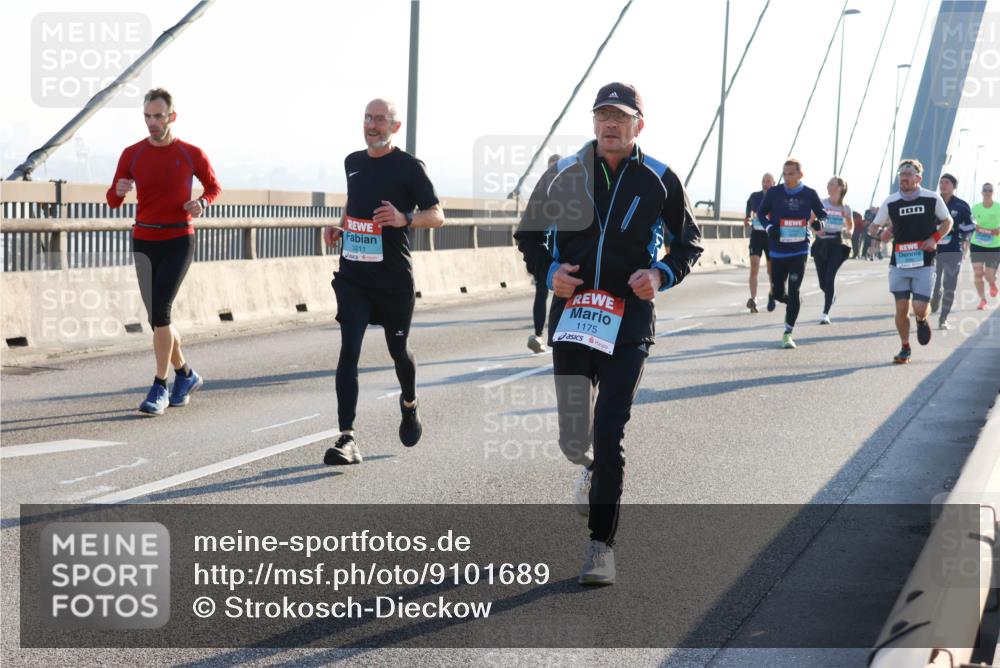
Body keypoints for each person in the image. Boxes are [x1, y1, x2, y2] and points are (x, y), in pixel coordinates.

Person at [514, 82, 702, 585]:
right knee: (576, 439)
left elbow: (690, 243)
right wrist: (548, 270)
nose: (610, 124)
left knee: (610, 431)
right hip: (575, 320)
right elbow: (528, 234)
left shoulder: (660, 179)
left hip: (629, 325)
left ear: (639, 124)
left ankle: (601, 546)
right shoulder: (562, 173)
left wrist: (660, 275)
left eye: (620, 116)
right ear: (593, 122)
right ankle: (588, 467)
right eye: (602, 115)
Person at [320, 98, 445, 465]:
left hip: (393, 281)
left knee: (398, 352)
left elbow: (437, 216)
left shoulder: (409, 167)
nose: (372, 125)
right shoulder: (353, 163)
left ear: (395, 126)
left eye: (380, 119)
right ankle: (347, 437)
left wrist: (404, 217)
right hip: (354, 276)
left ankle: (409, 403)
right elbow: (353, 205)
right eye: (368, 118)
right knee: (349, 350)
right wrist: (340, 228)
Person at [106, 88, 221, 415]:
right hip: (143, 241)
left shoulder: (190, 153)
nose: (152, 122)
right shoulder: (132, 154)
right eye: (147, 116)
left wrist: (202, 203)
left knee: (161, 313)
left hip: (178, 240)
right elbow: (113, 200)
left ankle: (160, 385)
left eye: (158, 116)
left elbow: (213, 187)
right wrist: (119, 190)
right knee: (158, 319)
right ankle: (186, 374)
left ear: (172, 116)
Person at [871, 160, 952, 364]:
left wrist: (934, 239)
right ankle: (905, 347)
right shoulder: (891, 201)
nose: (904, 178)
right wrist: (882, 232)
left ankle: (922, 319)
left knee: (918, 306)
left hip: (924, 261)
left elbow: (947, 221)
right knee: (900, 307)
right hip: (899, 261)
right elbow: (873, 228)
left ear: (918, 178)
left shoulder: (931, 198)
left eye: (908, 174)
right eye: (901, 174)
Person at [756, 158, 827, 348]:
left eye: (791, 174)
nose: (786, 178)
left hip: (800, 248)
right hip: (778, 250)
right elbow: (761, 214)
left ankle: (788, 332)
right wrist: (770, 227)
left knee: (794, 288)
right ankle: (794, 302)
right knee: (779, 293)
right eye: (784, 174)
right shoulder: (774, 193)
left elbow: (822, 214)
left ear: (800, 175)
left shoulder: (810, 194)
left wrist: (821, 223)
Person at [527, 154, 562, 354]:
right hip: (549, 251)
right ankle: (541, 335)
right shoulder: (546, 192)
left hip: (558, 251)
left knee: (550, 292)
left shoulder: (566, 191)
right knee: (545, 292)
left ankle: (543, 335)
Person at [930, 173, 975, 329]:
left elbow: (970, 226)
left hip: (953, 250)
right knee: (933, 282)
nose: (943, 185)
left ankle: (943, 318)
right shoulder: (932, 202)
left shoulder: (962, 205)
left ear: (954, 186)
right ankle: (936, 295)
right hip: (934, 248)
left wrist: (957, 230)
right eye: (941, 182)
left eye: (947, 182)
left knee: (950, 284)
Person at [812, 176, 853, 324]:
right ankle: (831, 294)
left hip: (836, 244)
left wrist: (850, 232)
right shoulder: (822, 203)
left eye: (831, 184)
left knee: (830, 278)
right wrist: (816, 231)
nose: (828, 186)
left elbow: (850, 224)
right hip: (821, 245)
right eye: (828, 183)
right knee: (823, 283)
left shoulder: (845, 208)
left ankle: (825, 313)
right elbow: (810, 221)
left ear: (840, 188)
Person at [743, 172, 775, 313]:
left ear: (773, 183)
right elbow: (749, 207)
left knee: (770, 270)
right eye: (763, 181)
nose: (765, 183)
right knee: (754, 266)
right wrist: (747, 217)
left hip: (771, 236)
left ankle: (772, 294)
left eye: (768, 181)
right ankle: (754, 299)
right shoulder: (755, 196)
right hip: (756, 235)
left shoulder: (777, 198)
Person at [970, 182, 1000, 310]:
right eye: (985, 190)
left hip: (994, 245)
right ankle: (983, 300)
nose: (987, 192)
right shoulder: (975, 208)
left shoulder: (998, 207)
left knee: (989, 276)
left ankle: (992, 282)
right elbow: (971, 220)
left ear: (993, 193)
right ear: (981, 192)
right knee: (977, 273)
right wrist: (974, 225)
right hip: (977, 243)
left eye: (989, 190)